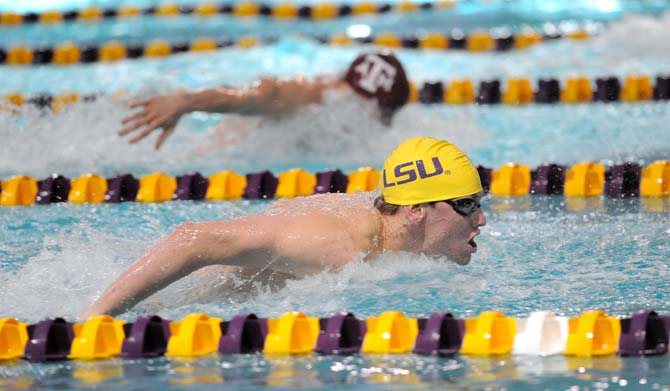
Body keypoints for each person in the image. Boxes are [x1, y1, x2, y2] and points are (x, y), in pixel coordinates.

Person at [80, 136, 486, 318]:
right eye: (467, 206)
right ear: (415, 211)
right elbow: (193, 239)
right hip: (174, 304)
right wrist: (94, 320)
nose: (480, 220)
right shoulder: (336, 245)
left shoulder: (384, 221)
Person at [118, 51, 411, 149]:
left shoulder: (328, 101)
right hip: (209, 155)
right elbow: (262, 95)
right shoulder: (310, 95)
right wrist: (187, 101)